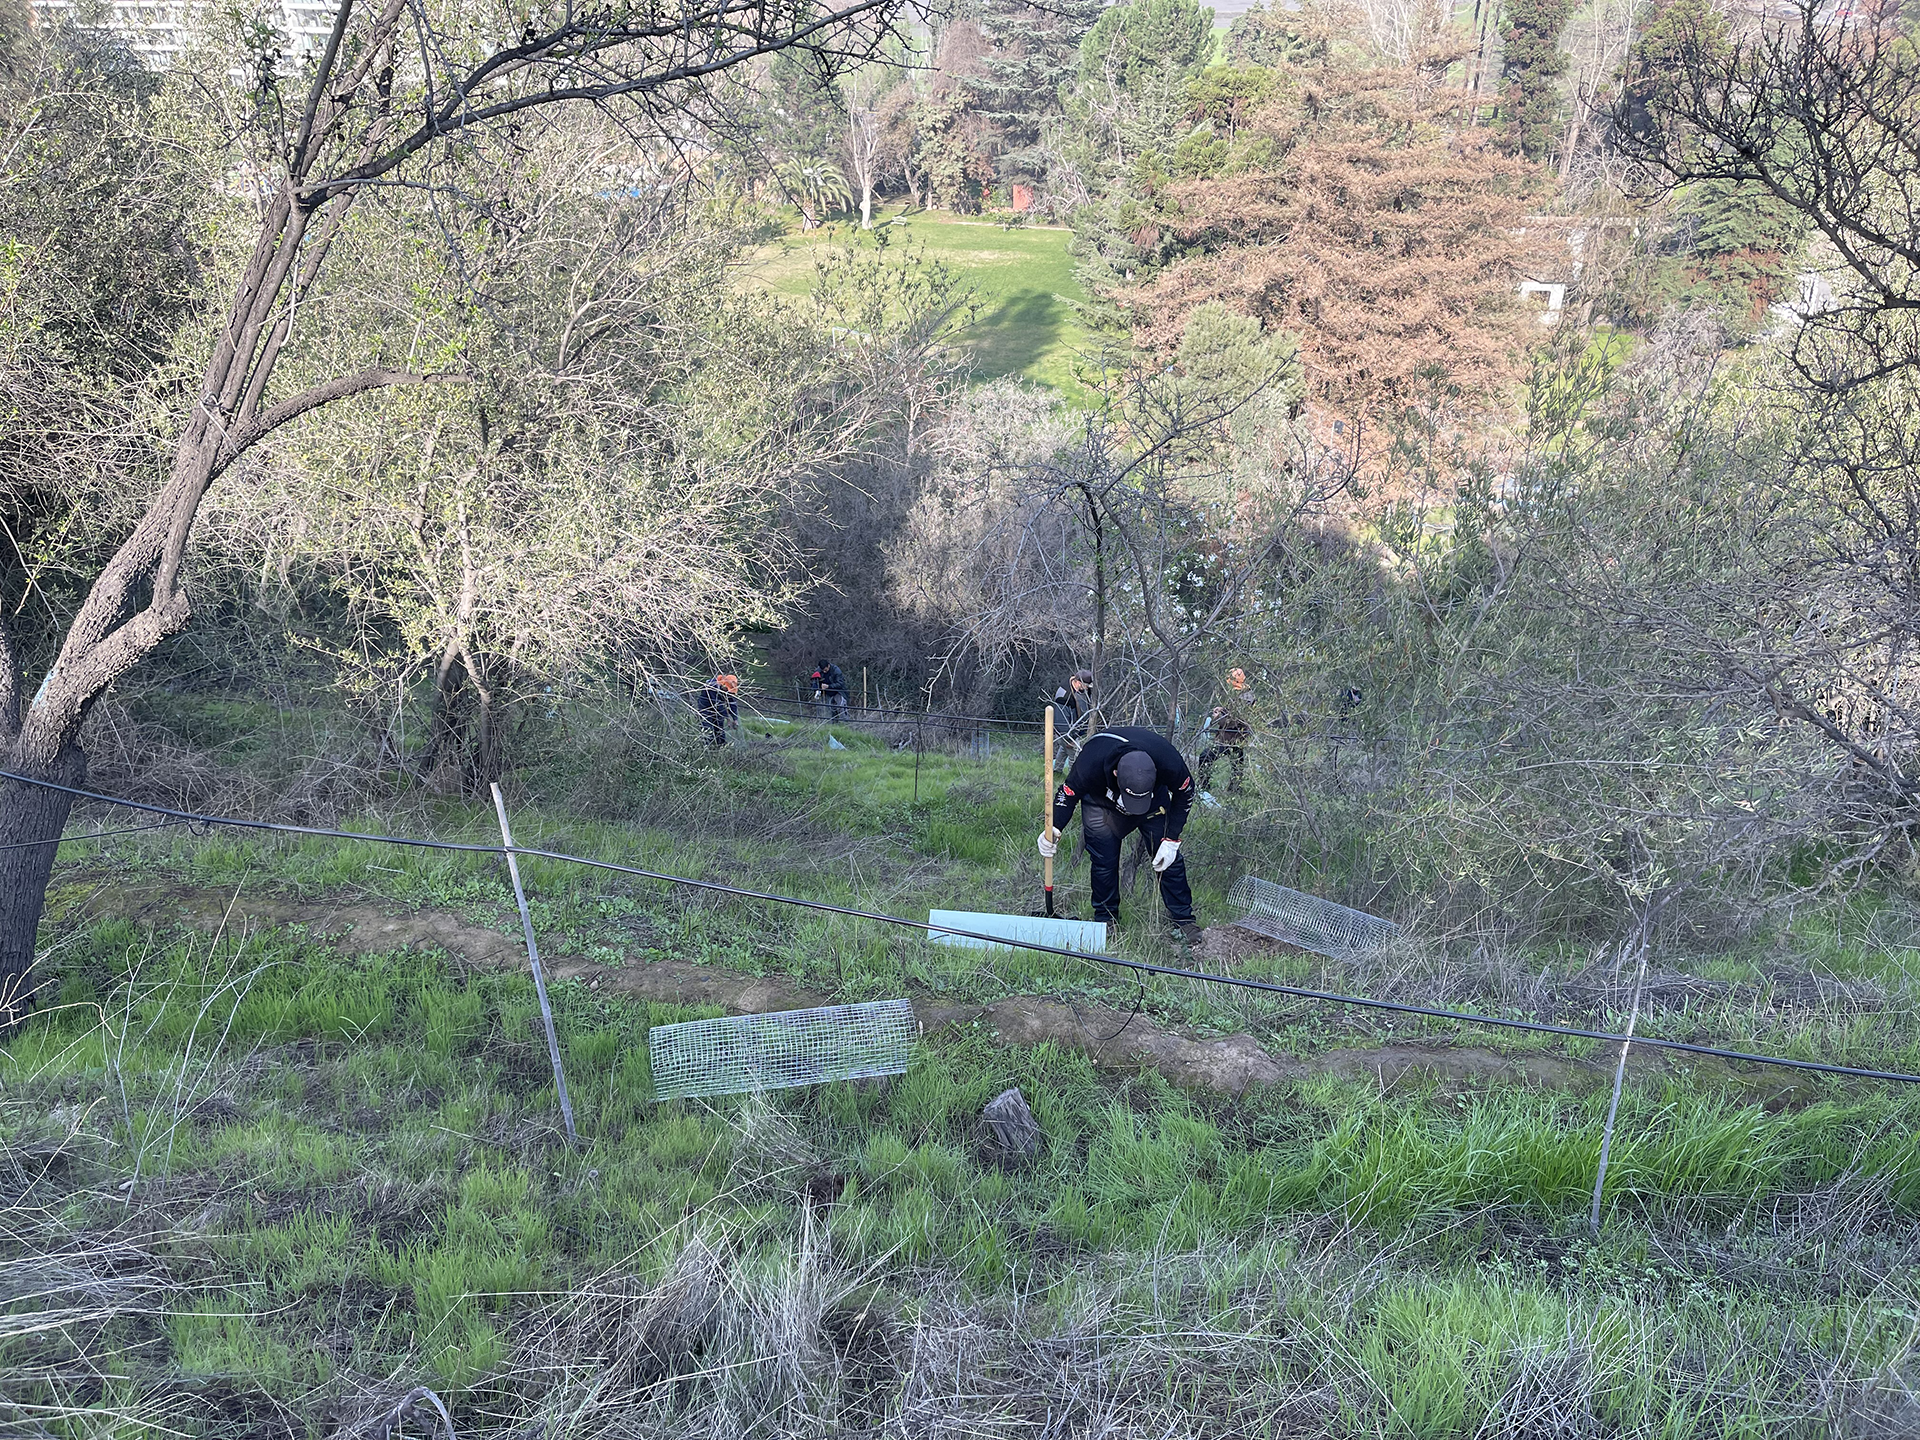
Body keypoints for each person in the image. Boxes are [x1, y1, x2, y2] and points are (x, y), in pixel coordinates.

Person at [1038, 726, 1202, 943]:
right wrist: (1054, 829)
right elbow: (1067, 794)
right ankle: (1106, 920)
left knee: (1169, 860)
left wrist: (1172, 839)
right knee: (1103, 861)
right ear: (1115, 773)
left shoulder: (1168, 761)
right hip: (1102, 804)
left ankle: (1184, 921)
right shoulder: (1091, 761)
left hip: (1154, 804)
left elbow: (1185, 793)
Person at [1197, 666, 1253, 793]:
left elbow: (1236, 719)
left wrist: (1219, 716)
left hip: (1234, 738)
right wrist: (1222, 709)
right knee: (1237, 764)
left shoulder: (1246, 696)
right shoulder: (1239, 692)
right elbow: (1232, 711)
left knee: (1205, 756)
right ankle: (1232, 789)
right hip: (1230, 737)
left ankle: (1206, 788)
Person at [696, 673, 739, 746]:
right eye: (727, 689)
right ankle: (707, 748)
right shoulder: (712, 685)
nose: (728, 692)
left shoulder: (727, 689)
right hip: (705, 708)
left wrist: (735, 718)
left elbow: (732, 702)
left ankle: (721, 746)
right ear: (724, 684)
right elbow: (717, 704)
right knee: (707, 729)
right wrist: (728, 718)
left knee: (720, 729)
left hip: (718, 708)